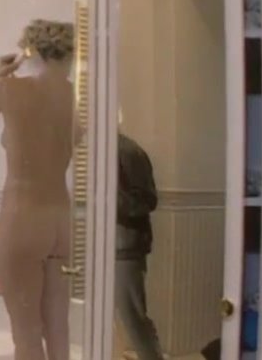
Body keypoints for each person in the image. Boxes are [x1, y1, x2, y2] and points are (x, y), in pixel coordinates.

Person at [0, 19, 79, 360]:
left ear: (31, 51)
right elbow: (74, 138)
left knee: (26, 335)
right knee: (58, 330)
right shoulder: (74, 96)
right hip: (60, 220)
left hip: (22, 217)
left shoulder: (9, 88)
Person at [115, 133, 164, 360]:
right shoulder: (103, 150)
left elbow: (147, 200)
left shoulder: (128, 151)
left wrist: (109, 197)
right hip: (108, 245)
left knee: (132, 316)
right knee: (115, 317)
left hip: (125, 247)